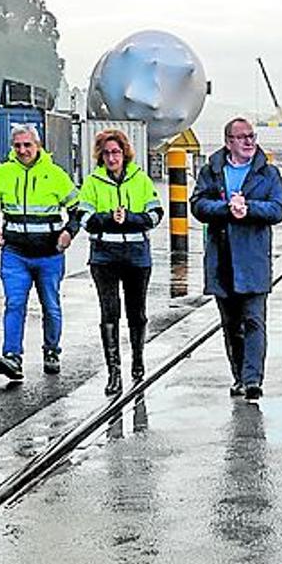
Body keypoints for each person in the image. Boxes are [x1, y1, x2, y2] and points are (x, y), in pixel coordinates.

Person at [190, 118, 282, 401]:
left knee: (254, 321)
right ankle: (239, 375)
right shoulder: (212, 171)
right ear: (228, 141)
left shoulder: (268, 174)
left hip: (253, 259)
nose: (249, 141)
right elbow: (198, 204)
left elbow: (278, 208)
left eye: (252, 136)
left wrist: (250, 209)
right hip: (222, 260)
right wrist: (226, 209)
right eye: (242, 137)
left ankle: (253, 379)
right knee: (232, 325)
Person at [0, 124, 79, 381]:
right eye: (18, 146)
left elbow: (77, 210)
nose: (23, 150)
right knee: (14, 304)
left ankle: (51, 351)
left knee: (51, 306)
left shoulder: (56, 175)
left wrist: (68, 233)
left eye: (28, 145)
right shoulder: (2, 174)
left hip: (49, 254)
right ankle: (12, 357)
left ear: (38, 146)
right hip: (15, 253)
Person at [77, 129, 164, 396]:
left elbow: (156, 214)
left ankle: (137, 359)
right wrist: (106, 218)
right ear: (100, 156)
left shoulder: (140, 180)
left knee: (136, 311)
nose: (112, 157)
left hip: (137, 254)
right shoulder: (92, 182)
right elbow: (84, 217)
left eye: (116, 152)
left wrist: (129, 219)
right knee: (109, 312)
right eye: (107, 153)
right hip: (104, 255)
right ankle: (114, 371)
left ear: (124, 153)